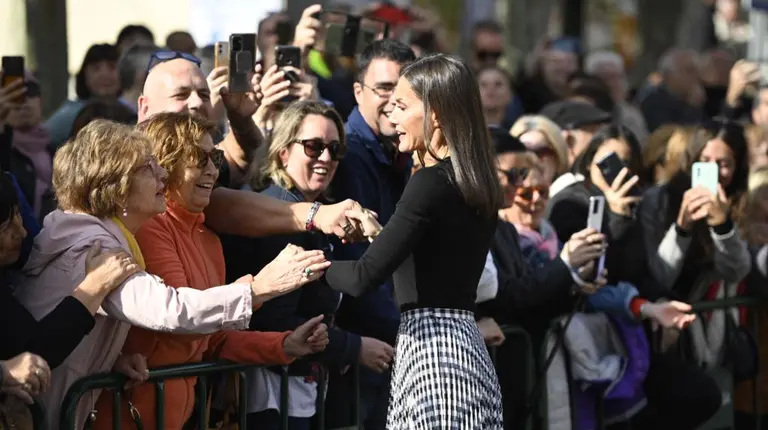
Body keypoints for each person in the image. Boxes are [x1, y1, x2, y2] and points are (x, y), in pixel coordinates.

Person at [14, 120, 329, 429]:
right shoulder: (95, 249)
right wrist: (260, 288)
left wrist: (111, 360)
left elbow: (206, 337)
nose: (162, 174)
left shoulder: (103, 237)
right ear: (117, 189)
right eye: (149, 169)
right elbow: (173, 311)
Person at [322, 54, 505, 427]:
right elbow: (436, 258)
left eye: (402, 106)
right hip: (464, 348)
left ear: (435, 113)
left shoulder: (429, 181)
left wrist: (309, 266)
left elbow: (362, 277)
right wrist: (380, 233)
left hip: (433, 356)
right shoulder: (476, 181)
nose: (392, 117)